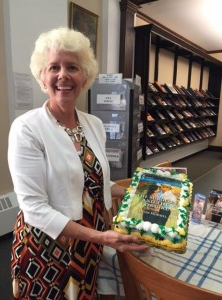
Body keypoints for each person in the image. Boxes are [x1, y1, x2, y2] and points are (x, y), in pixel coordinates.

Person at [8, 27, 147, 300]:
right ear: (42, 76)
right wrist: (102, 237)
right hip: (47, 248)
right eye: (54, 67)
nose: (63, 75)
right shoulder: (27, 128)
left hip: (87, 242)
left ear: (84, 77)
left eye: (72, 66)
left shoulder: (93, 124)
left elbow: (94, 182)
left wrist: (144, 187)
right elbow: (34, 208)